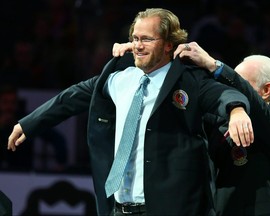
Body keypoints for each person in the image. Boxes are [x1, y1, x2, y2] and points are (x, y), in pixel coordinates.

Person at [7, 8, 254, 216]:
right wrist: (28, 124)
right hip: (119, 207)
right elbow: (69, 98)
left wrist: (237, 111)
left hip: (169, 208)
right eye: (135, 38)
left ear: (169, 44)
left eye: (146, 39)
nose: (137, 45)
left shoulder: (188, 80)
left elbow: (224, 95)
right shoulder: (119, 78)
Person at [172, 42, 270, 215]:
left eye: (241, 82)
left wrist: (214, 65)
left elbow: (259, 112)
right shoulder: (217, 120)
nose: (231, 90)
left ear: (266, 90)